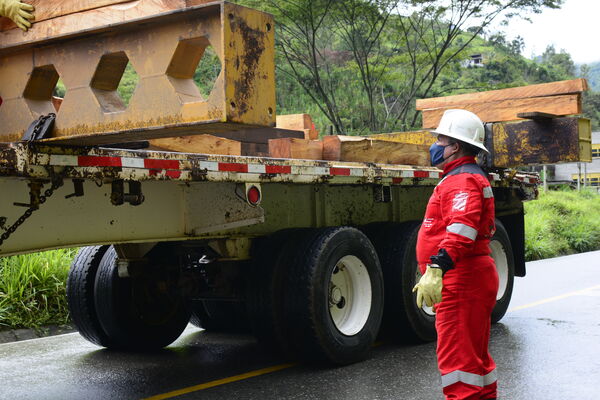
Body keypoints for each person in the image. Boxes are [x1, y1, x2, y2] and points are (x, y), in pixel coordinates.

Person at [413, 109, 499, 400]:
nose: (435, 146)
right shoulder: (465, 177)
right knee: (475, 363)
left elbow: (461, 230)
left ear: (456, 146)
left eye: (441, 140)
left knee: (459, 367)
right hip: (469, 277)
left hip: (461, 280)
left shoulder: (461, 180)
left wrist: (436, 268)